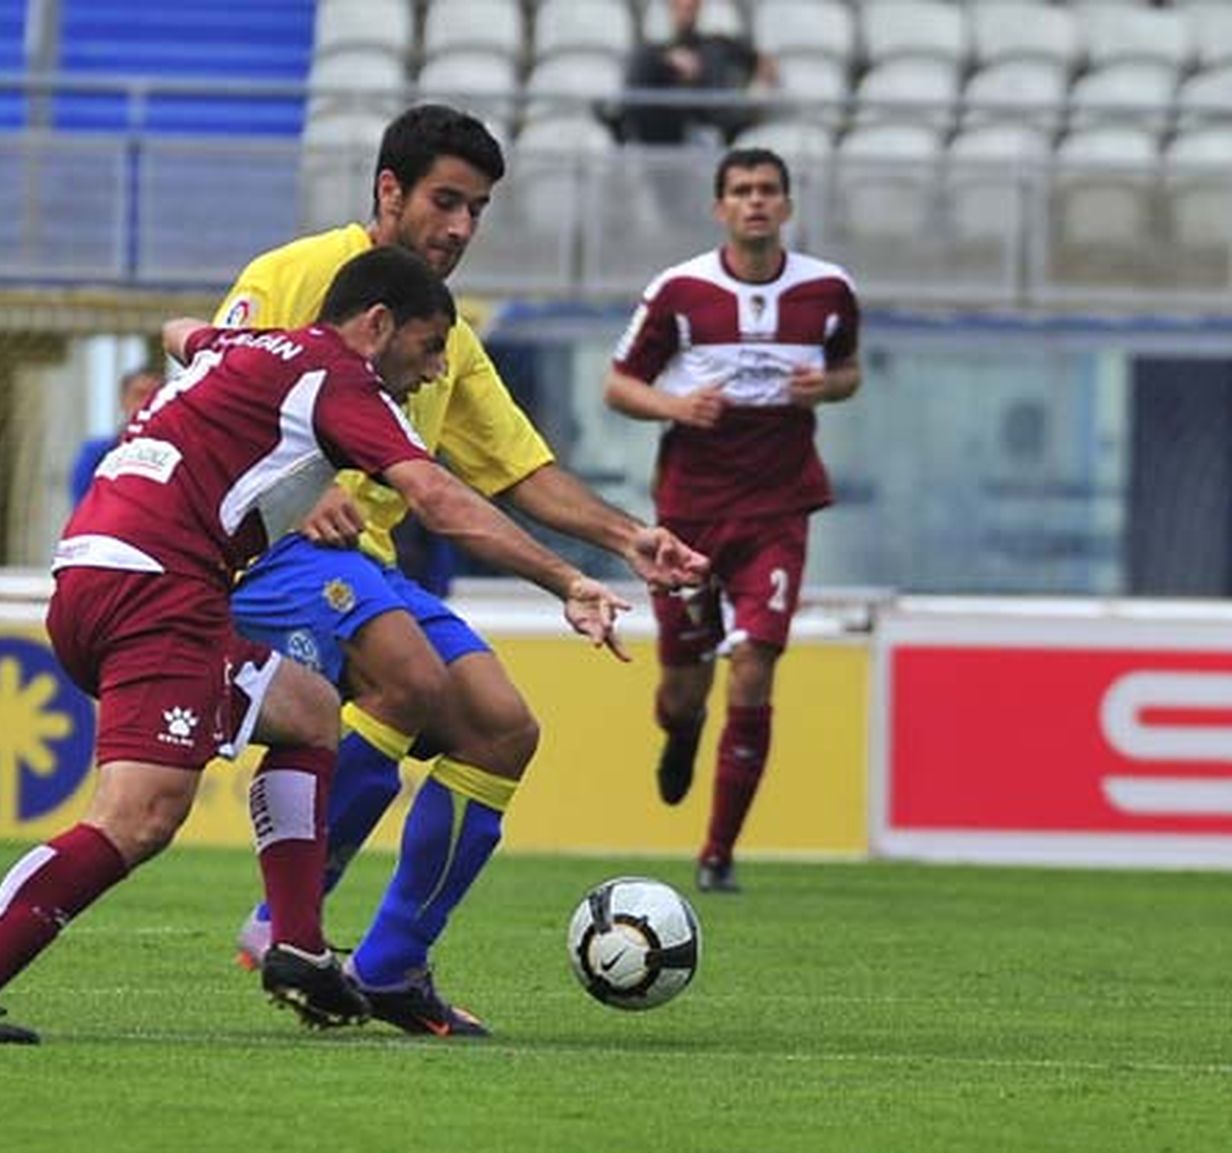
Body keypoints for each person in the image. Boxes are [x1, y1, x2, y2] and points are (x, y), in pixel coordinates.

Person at [0, 246, 641, 1043]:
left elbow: (182, 332)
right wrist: (568, 580)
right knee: (137, 818)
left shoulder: (249, 346)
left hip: (105, 568)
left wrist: (200, 358)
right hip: (156, 587)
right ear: (376, 325)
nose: (431, 374)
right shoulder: (342, 380)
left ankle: (297, 944)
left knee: (310, 709)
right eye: (427, 348)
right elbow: (439, 499)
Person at [217, 103, 708, 1037]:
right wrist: (295, 486)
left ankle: (392, 968)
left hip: (370, 567)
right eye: (446, 201)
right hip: (278, 553)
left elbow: (519, 470)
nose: (460, 227)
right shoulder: (289, 276)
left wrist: (624, 537)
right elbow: (204, 391)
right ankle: (289, 917)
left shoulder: (447, 340)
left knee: (500, 727)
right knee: (409, 674)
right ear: (389, 190)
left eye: (476, 209)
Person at [603, 147, 861, 894]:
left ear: (786, 204)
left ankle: (718, 853)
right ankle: (681, 736)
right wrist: (676, 406)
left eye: (768, 190)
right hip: (689, 512)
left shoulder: (829, 290)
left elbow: (850, 372)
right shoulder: (681, 291)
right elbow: (619, 385)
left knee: (753, 666)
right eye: (741, 191)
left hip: (778, 509)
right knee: (685, 689)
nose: (755, 202)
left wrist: (829, 386)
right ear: (720, 206)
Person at [611, 0, 778, 146]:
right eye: (679, 4)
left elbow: (764, 64)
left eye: (692, 4)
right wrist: (667, 61)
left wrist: (756, 92)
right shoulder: (650, 52)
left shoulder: (716, 45)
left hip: (712, 126)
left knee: (715, 52)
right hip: (661, 131)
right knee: (644, 60)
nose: (686, 8)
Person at [68, 366, 160, 507]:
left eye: (155, 396)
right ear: (123, 400)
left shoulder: (181, 454)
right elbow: (81, 505)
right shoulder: (96, 453)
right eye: (139, 395)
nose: (147, 403)